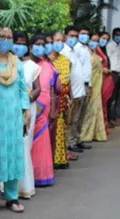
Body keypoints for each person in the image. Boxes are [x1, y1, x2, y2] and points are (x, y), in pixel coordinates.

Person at [0, 27, 30, 214]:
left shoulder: (16, 61)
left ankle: (12, 197)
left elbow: (22, 88)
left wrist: (26, 111)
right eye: (2, 36)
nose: (6, 40)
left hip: (14, 115)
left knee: (13, 153)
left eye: (9, 37)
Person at [13, 30, 42, 199]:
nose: (20, 46)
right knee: (10, 145)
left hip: (27, 110)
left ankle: (24, 187)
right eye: (17, 42)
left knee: (24, 145)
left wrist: (26, 99)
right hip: (9, 109)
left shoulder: (33, 66)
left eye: (24, 43)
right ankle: (7, 187)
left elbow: (38, 88)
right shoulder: (7, 64)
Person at [31, 33, 58, 186]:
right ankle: (29, 178)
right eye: (37, 44)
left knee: (42, 142)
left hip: (45, 111)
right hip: (29, 109)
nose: (40, 47)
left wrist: (53, 109)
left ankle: (43, 175)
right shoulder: (25, 65)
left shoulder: (48, 66)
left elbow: (54, 89)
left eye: (43, 44)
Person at [49, 31, 76, 169]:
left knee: (63, 127)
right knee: (55, 128)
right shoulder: (48, 61)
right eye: (56, 40)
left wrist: (70, 96)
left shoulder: (66, 60)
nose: (59, 43)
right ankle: (53, 159)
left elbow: (68, 80)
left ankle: (61, 157)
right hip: (52, 100)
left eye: (61, 40)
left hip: (64, 98)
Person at [61, 25, 88, 153]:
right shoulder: (64, 51)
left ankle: (77, 139)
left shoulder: (74, 50)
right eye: (71, 36)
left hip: (80, 89)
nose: (74, 38)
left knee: (79, 118)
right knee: (72, 119)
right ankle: (70, 143)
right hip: (73, 91)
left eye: (76, 36)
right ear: (65, 36)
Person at [80, 33, 107, 142]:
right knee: (88, 110)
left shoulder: (95, 52)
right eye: (93, 40)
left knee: (95, 109)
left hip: (96, 85)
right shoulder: (84, 52)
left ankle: (94, 133)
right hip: (88, 84)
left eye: (97, 40)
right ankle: (84, 134)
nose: (94, 42)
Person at [97, 31, 115, 136]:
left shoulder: (102, 50)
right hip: (99, 79)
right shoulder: (95, 50)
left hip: (104, 78)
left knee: (104, 103)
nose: (104, 41)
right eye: (103, 38)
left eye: (106, 39)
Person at [106, 28, 120, 128]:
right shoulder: (110, 46)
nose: (118, 37)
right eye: (117, 35)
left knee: (114, 97)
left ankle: (111, 118)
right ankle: (108, 119)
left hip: (118, 74)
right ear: (113, 35)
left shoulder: (118, 46)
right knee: (110, 97)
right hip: (112, 74)